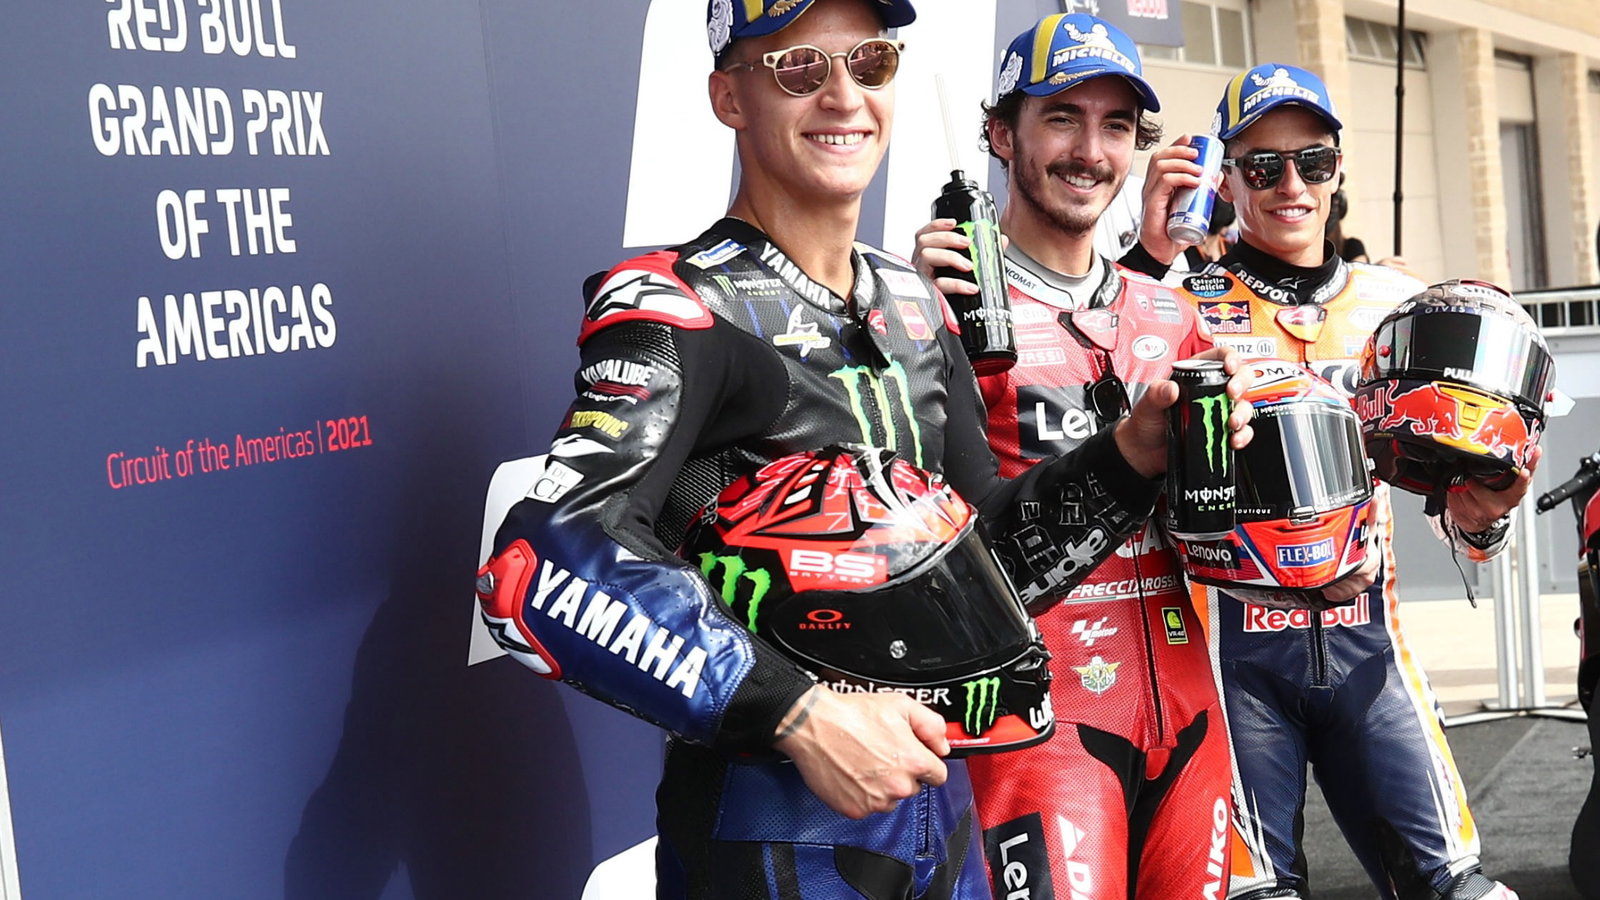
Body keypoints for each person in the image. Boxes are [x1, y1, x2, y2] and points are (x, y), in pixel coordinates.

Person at [476, 2, 1247, 896]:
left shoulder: (911, 303)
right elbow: (543, 561)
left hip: (942, 814)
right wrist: (797, 714)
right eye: (801, 68)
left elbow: (990, 559)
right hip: (773, 833)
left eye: (870, 63)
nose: (844, 96)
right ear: (729, 97)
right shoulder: (677, 305)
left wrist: (1128, 455)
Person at [1173, 62, 1536, 900]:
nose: (1290, 185)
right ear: (1226, 178)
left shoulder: (1402, 306)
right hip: (1230, 657)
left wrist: (1486, 517)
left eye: (1313, 161)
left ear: (1338, 169)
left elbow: (1461, 511)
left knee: (1457, 888)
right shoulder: (1173, 303)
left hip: (1372, 646)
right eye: (1263, 166)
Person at [911, 14, 1253, 898]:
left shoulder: (1172, 312)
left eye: (1114, 126)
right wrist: (908, 315)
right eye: (1062, 117)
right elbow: (928, 550)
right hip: (1036, 728)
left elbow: (1218, 535)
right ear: (1002, 134)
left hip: (1186, 713)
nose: (1090, 151)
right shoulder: (943, 307)